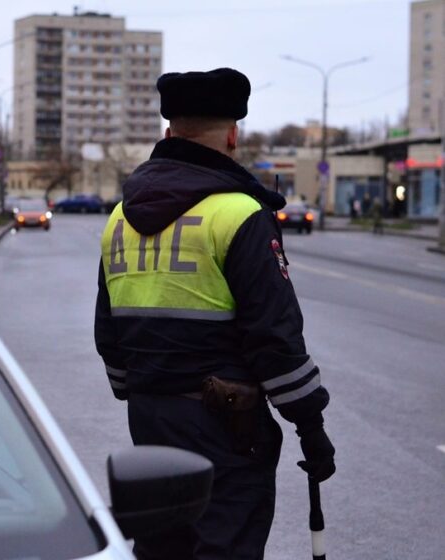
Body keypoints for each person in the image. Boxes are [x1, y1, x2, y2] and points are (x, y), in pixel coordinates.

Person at [94, 68, 335, 560]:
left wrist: (142, 390)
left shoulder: (120, 217)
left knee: (161, 547)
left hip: (150, 419)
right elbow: (275, 338)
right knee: (225, 545)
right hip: (226, 427)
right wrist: (310, 426)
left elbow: (109, 333)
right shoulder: (238, 214)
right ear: (231, 134)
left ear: (168, 132)